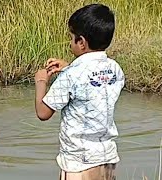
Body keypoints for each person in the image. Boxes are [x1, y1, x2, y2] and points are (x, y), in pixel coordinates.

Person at [34, 4, 125, 180]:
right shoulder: (115, 68)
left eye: (71, 38)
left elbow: (43, 113)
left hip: (77, 163)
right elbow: (96, 86)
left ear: (81, 42)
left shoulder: (71, 76)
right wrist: (70, 66)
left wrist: (41, 82)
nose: (70, 42)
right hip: (107, 158)